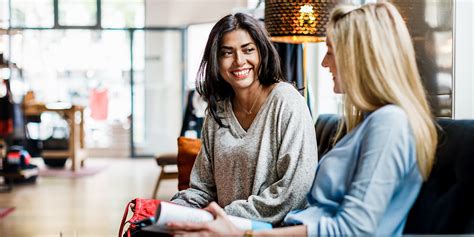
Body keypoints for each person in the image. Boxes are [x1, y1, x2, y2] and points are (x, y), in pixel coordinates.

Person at [167, 2, 438, 236]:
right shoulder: (370, 123)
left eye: (331, 50)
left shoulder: (389, 124)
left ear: (359, 58)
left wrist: (240, 232)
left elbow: (353, 229)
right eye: (227, 52)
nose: (324, 63)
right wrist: (173, 211)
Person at [170, 13, 318, 225]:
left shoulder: (287, 101)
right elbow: (202, 188)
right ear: (216, 60)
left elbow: (293, 193)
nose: (239, 61)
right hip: (224, 227)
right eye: (227, 53)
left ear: (262, 53)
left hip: (273, 231)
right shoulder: (217, 112)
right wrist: (171, 210)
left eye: (248, 50)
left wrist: (223, 217)